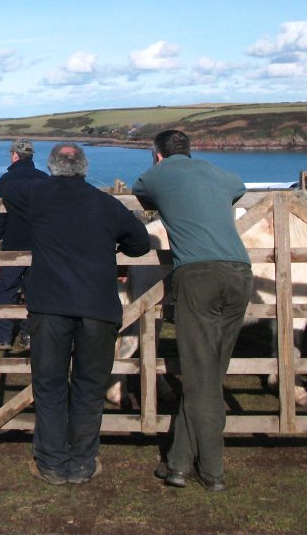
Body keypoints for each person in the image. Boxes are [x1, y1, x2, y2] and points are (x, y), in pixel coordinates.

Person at [3, 142, 150, 485]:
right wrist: (115, 246)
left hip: (50, 306)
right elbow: (141, 243)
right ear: (84, 168)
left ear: (52, 168)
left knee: (50, 384)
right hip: (98, 308)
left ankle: (52, 463)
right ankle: (83, 462)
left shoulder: (36, 196)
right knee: (89, 386)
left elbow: (9, 187)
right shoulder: (105, 203)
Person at [132, 129, 252, 493]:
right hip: (241, 273)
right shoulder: (217, 172)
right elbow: (239, 188)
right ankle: (178, 464)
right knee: (210, 373)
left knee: (201, 376)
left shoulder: (157, 173)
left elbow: (141, 194)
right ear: (190, 150)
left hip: (198, 274)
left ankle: (212, 470)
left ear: (157, 155)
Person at [0, 138, 48, 351]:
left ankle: (3, 337)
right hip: (39, 243)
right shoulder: (44, 178)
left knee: (7, 288)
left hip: (14, 244)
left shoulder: (6, 180)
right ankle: (29, 335)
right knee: (34, 290)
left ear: (15, 155)